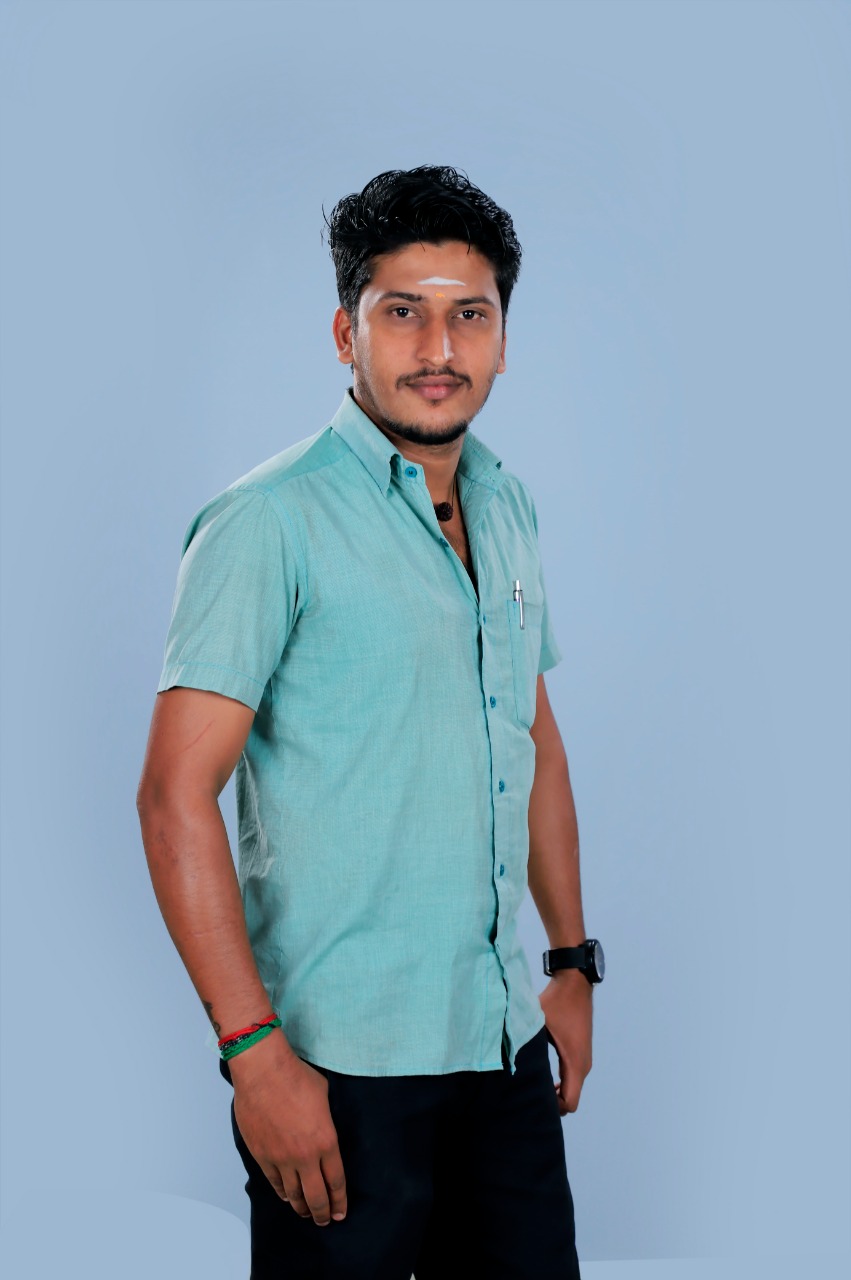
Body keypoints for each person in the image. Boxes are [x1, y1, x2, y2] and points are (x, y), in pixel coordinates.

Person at [137, 164, 604, 1280]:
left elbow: (530, 737)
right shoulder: (267, 521)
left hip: (499, 1045)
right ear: (346, 332)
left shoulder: (507, 504)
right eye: (403, 312)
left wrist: (569, 962)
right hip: (334, 1071)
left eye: (468, 315)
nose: (438, 347)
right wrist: (255, 1056)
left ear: (502, 339)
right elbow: (173, 794)